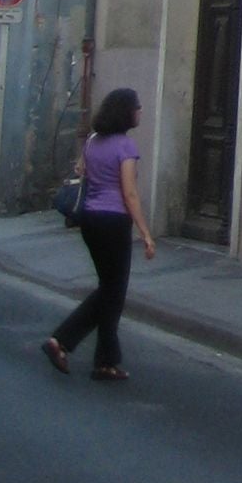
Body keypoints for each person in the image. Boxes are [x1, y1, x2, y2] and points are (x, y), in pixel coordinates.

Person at [42, 87, 156, 383]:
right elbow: (129, 193)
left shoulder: (92, 142)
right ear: (126, 112)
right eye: (137, 107)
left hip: (90, 220)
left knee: (110, 291)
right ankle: (63, 341)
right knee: (112, 291)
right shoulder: (125, 147)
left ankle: (105, 361)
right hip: (114, 221)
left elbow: (83, 171)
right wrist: (145, 232)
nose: (141, 111)